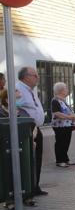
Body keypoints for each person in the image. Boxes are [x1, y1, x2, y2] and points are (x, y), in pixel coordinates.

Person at [0, 88, 36, 210]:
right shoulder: (2, 112)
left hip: (23, 147)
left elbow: (31, 125)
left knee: (24, 170)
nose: (19, 99)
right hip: (5, 149)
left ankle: (27, 196)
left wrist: (32, 139)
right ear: (7, 99)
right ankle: (9, 199)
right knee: (8, 172)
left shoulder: (22, 111)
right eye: (16, 96)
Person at [16, 66, 47, 196]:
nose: (37, 78)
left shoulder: (29, 90)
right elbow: (15, 109)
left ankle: (35, 186)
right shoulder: (18, 89)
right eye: (35, 76)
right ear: (26, 77)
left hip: (36, 129)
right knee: (29, 160)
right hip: (27, 129)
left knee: (37, 159)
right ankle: (28, 188)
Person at [50, 82, 75, 167]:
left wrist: (73, 117)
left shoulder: (63, 101)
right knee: (60, 143)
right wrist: (70, 117)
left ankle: (65, 159)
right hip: (59, 126)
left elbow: (68, 112)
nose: (67, 90)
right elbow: (57, 113)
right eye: (66, 88)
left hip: (67, 125)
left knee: (66, 143)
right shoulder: (55, 101)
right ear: (61, 90)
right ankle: (59, 160)